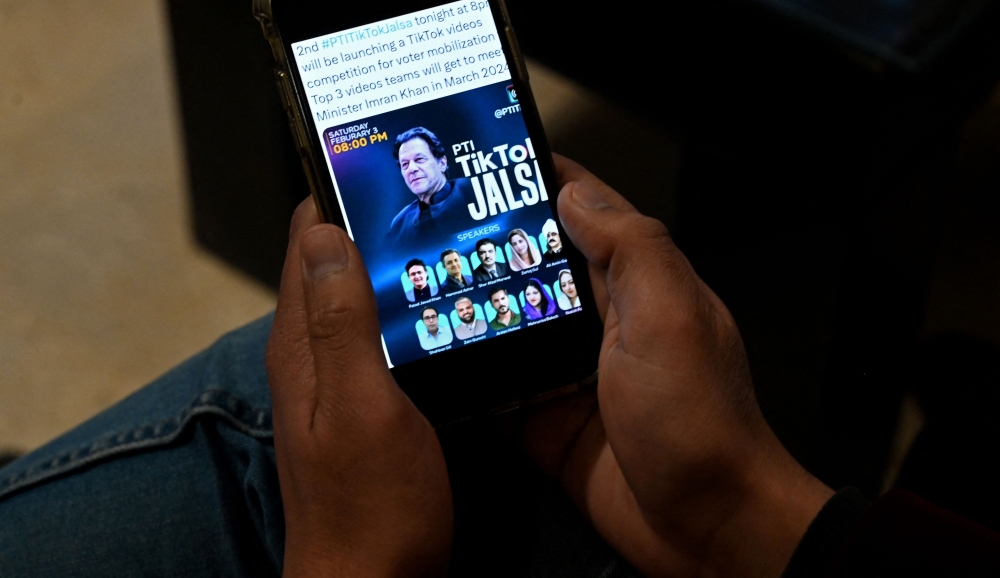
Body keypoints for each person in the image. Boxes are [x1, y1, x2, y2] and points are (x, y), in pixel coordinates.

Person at [2, 154, 999, 578]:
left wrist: (357, 562)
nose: (417, 173)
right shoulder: (402, 224)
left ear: (445, 162)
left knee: (275, 400)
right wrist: (735, 505)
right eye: (406, 166)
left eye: (426, 161)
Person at [386, 127, 478, 245]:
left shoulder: (473, 189)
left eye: (419, 159)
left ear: (442, 163)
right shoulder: (399, 224)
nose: (411, 169)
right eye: (405, 164)